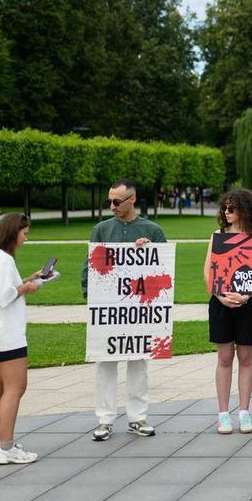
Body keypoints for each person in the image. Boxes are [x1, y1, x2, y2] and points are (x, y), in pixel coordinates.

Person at [81, 179, 167, 441]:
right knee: (105, 364)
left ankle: (137, 417)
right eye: (110, 200)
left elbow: (164, 271)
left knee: (138, 362)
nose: (112, 206)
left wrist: (149, 252)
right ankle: (105, 419)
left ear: (132, 200)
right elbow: (90, 269)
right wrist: (91, 298)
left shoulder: (152, 231)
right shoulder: (101, 230)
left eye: (117, 201)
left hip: (138, 311)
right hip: (109, 308)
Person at [0, 214, 44, 465]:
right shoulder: (3, 261)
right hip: (7, 335)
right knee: (15, 388)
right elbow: (5, 297)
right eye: (24, 233)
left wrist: (25, 281)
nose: (26, 237)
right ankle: (6, 448)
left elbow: (0, 292)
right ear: (13, 232)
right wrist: (27, 288)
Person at [203, 189, 252, 435]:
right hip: (220, 302)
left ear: (245, 209)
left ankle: (244, 412)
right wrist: (221, 296)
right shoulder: (217, 235)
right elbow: (208, 271)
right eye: (225, 208)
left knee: (245, 357)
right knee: (224, 358)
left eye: (232, 208)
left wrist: (247, 294)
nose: (227, 212)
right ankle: (223, 414)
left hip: (248, 302)